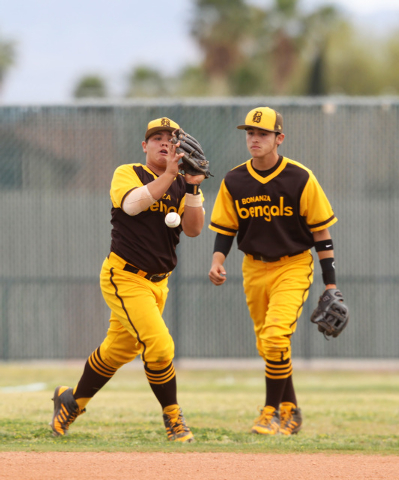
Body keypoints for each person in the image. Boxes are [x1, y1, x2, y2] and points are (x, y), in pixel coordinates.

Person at [50, 117, 206, 443]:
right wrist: (170, 175)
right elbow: (132, 205)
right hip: (123, 276)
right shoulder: (128, 172)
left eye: (171, 138)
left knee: (117, 351)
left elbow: (193, 229)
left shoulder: (182, 182)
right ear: (144, 146)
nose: (164, 142)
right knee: (160, 346)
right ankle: (174, 420)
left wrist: (192, 187)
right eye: (157, 137)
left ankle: (70, 402)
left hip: (158, 283)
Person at [208, 106, 341, 435]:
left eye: (262, 134)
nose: (254, 139)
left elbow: (322, 233)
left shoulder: (300, 177)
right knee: (269, 345)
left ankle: (270, 413)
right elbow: (226, 227)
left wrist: (330, 285)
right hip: (253, 268)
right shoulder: (235, 179)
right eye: (250, 133)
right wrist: (217, 260)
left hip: (293, 266)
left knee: (275, 337)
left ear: (279, 138)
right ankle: (291, 410)